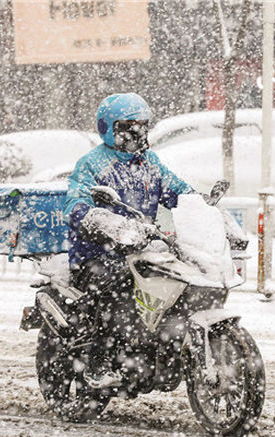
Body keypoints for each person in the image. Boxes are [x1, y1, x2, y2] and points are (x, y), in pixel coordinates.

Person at [63, 93, 194, 388]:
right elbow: (74, 205)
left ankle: (163, 347)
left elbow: (177, 190)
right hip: (95, 254)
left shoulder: (150, 163)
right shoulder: (92, 164)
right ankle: (98, 362)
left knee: (180, 278)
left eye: (141, 127)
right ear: (107, 128)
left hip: (141, 249)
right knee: (117, 287)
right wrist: (102, 222)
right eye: (127, 127)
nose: (136, 134)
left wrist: (199, 205)